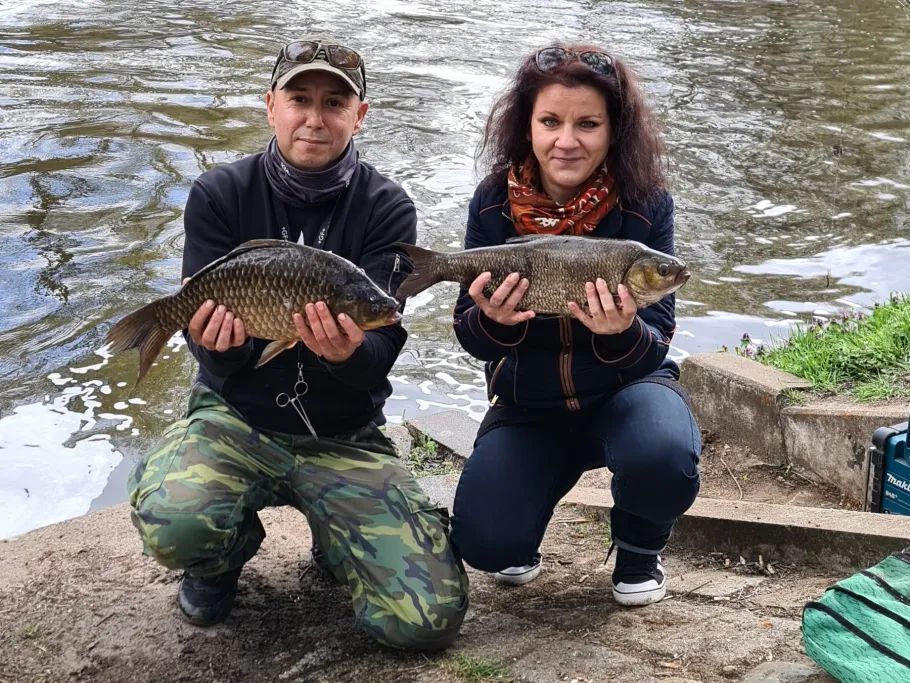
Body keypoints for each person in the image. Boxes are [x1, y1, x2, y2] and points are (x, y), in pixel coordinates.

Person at [125, 38, 468, 650]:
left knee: (425, 622)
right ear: (270, 106)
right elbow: (214, 355)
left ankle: (336, 534)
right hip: (234, 417)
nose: (315, 118)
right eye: (299, 99)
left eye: (335, 103)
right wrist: (219, 346)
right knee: (176, 524)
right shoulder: (219, 193)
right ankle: (219, 559)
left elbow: (382, 342)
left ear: (359, 116)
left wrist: (345, 353)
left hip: (343, 431)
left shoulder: (387, 207)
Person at [449, 43, 701, 606]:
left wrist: (620, 332)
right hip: (530, 405)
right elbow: (468, 333)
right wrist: (497, 322)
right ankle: (522, 524)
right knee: (487, 544)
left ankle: (639, 547)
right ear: (527, 126)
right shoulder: (491, 202)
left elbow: (656, 341)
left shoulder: (646, 205)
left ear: (614, 130)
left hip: (629, 393)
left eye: (588, 124)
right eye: (550, 122)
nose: (566, 141)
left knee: (662, 455)